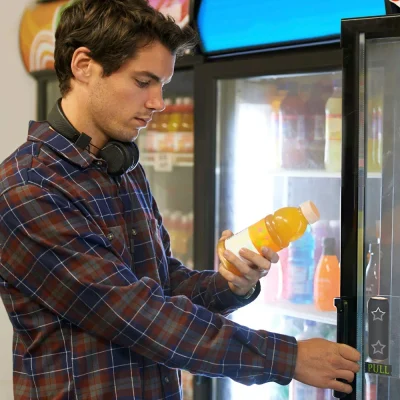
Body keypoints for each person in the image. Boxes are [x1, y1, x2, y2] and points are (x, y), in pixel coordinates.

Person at [0, 0, 360, 399]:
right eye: (143, 82)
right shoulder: (29, 189)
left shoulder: (122, 164)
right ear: (84, 66)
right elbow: (139, 315)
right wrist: (288, 358)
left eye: (163, 85)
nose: (158, 102)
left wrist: (229, 286)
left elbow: (164, 285)